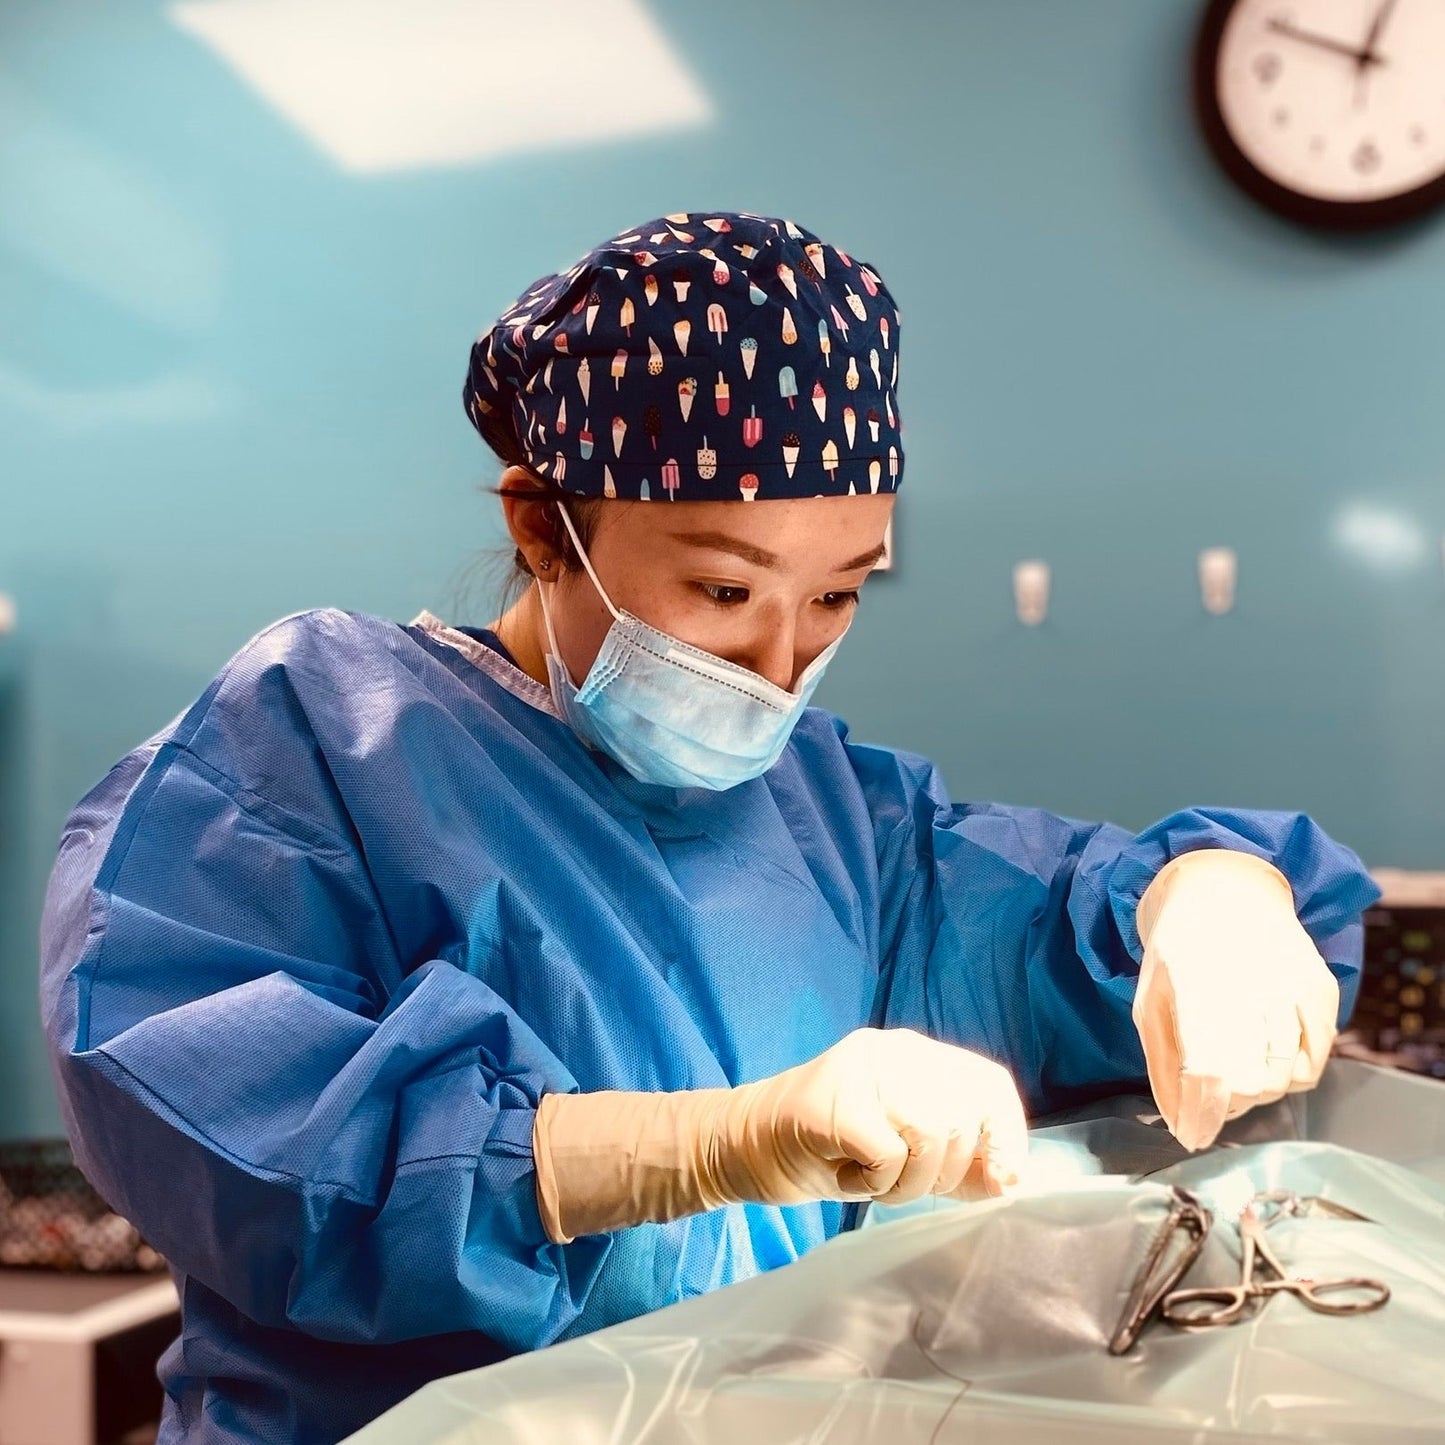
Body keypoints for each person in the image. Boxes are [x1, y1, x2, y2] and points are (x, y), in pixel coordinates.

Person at [40, 211, 1378, 1444]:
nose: (778, 663)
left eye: (837, 596)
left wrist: (1208, 895)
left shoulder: (841, 818)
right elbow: (240, 1131)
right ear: (540, 523)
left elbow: (1055, 919)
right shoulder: (317, 751)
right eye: (722, 586)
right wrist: (707, 1146)